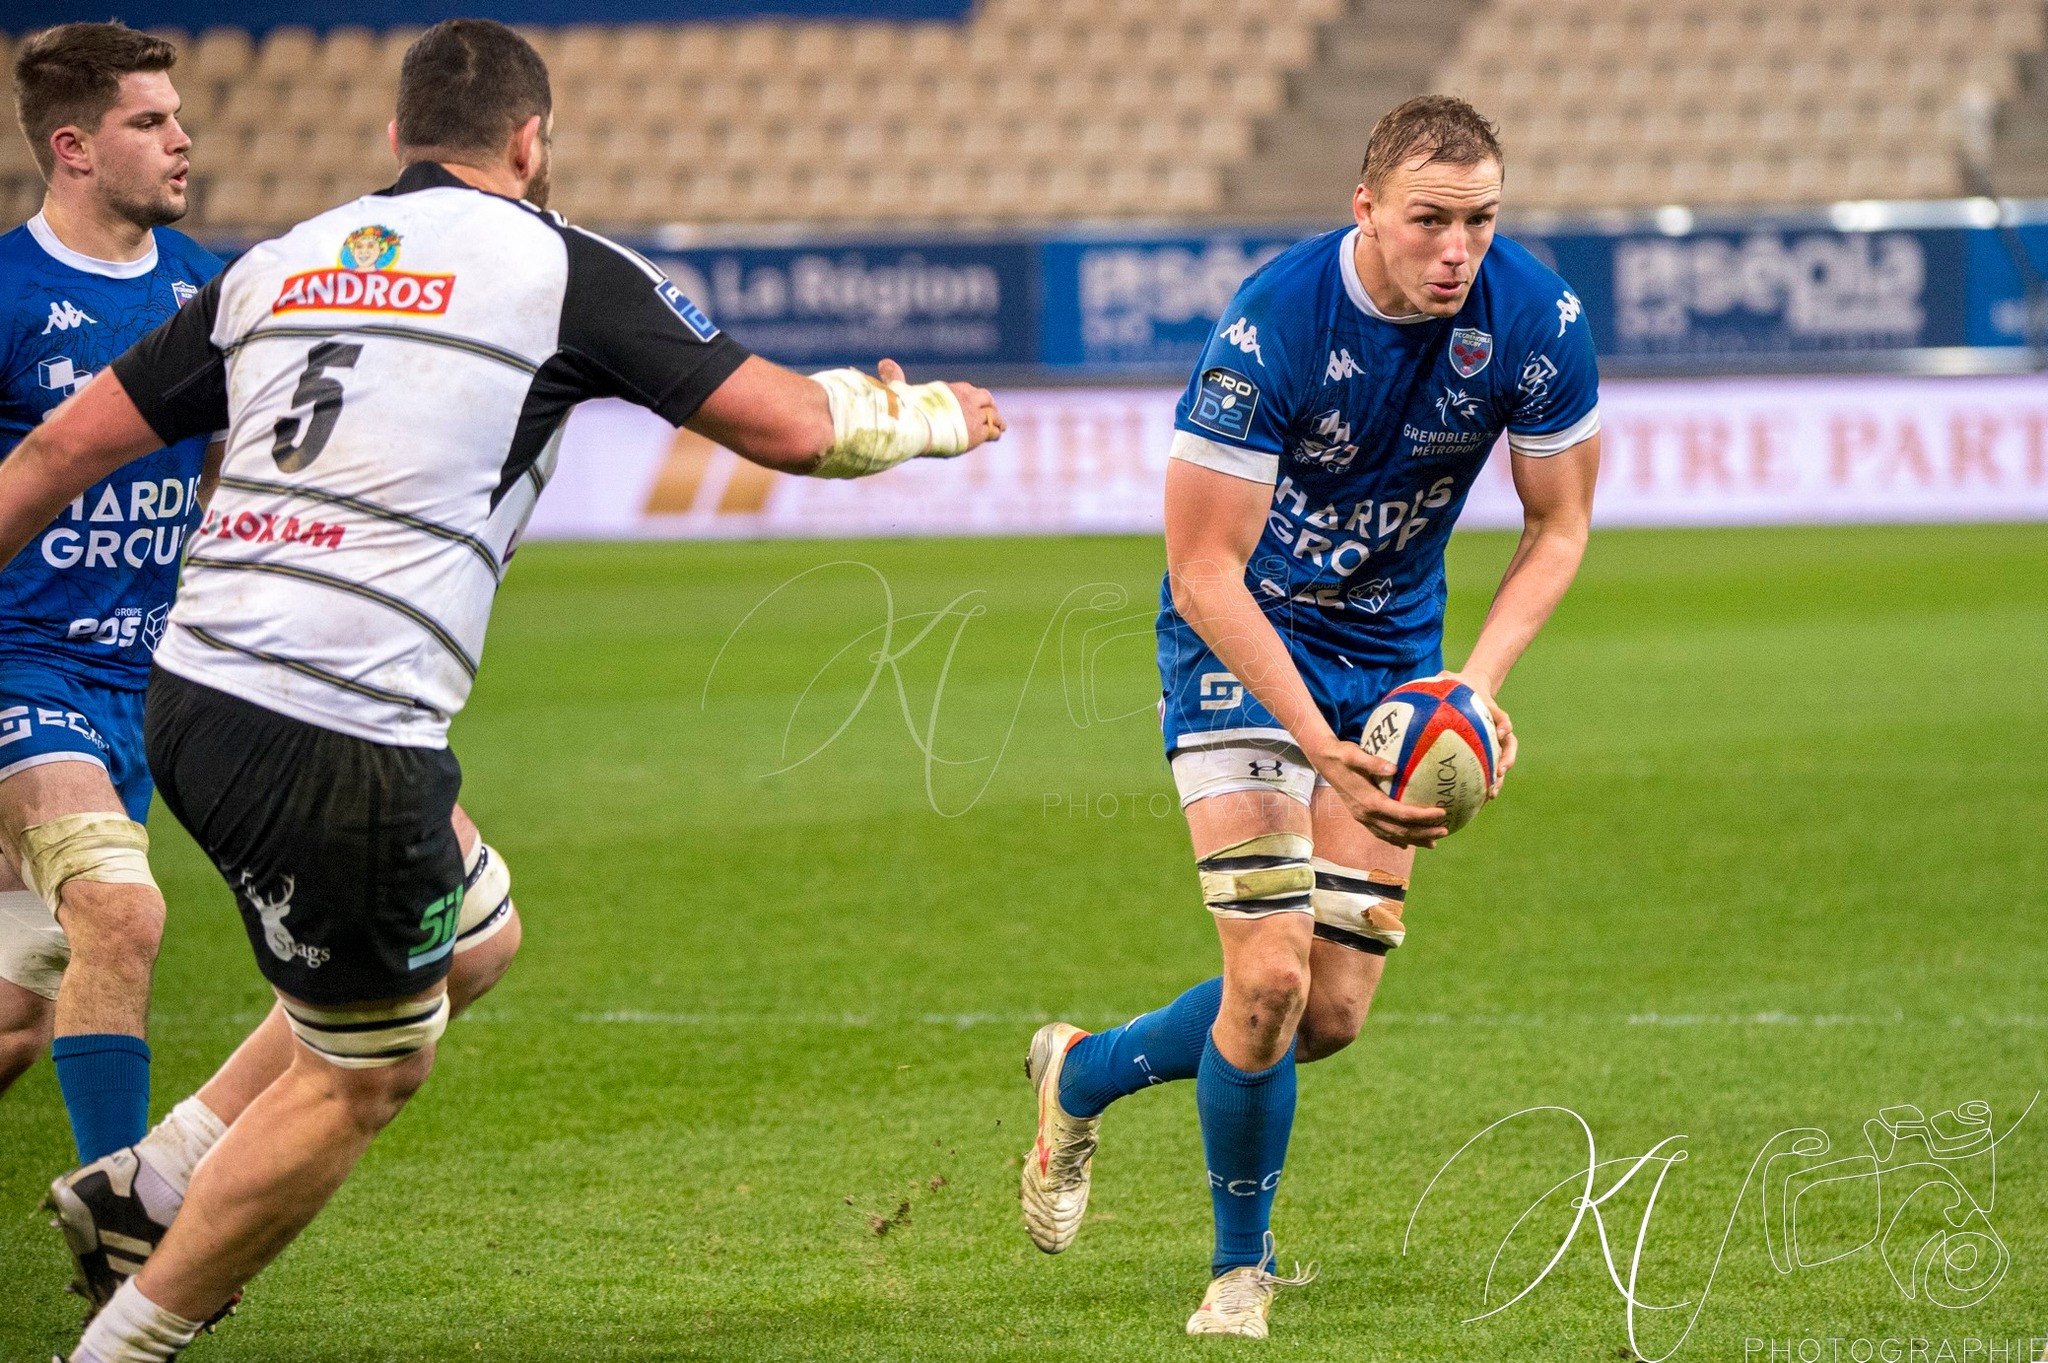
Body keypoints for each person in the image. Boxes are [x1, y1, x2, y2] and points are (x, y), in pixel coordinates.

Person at [0, 19, 1004, 1361]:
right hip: (338, 725)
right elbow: (795, 427)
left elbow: (59, 446)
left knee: (475, 929)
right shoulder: (557, 264)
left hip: (192, 691)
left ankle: (157, 1168)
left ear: (400, 135)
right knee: (368, 1068)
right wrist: (936, 415)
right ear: (533, 139)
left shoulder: (282, 261)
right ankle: (118, 1342)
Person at [1018, 95, 1602, 1340]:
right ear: (1365, 210)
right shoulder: (1272, 325)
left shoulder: (1537, 320)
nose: (1458, 250)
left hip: (1392, 668)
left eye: (1480, 221)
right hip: (1242, 647)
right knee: (1269, 975)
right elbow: (1202, 572)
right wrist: (1311, 735)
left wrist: (1474, 689)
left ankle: (1078, 1068)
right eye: (1429, 221)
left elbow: (1559, 525)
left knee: (1326, 1014)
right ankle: (1240, 1269)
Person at [0, 22, 221, 1165]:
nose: (183, 141)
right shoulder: (5, 294)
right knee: (121, 912)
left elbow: (234, 473)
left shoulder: (211, 288)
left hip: (145, 685)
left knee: (10, 1027)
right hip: (20, 667)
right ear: (75, 147)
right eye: (151, 123)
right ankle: (120, 1240)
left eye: (177, 117)